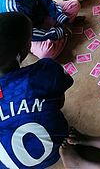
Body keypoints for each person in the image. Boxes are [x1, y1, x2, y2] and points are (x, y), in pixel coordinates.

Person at [0, 12, 73, 169]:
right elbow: (65, 85)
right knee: (52, 89)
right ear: (25, 50)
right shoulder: (44, 70)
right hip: (60, 146)